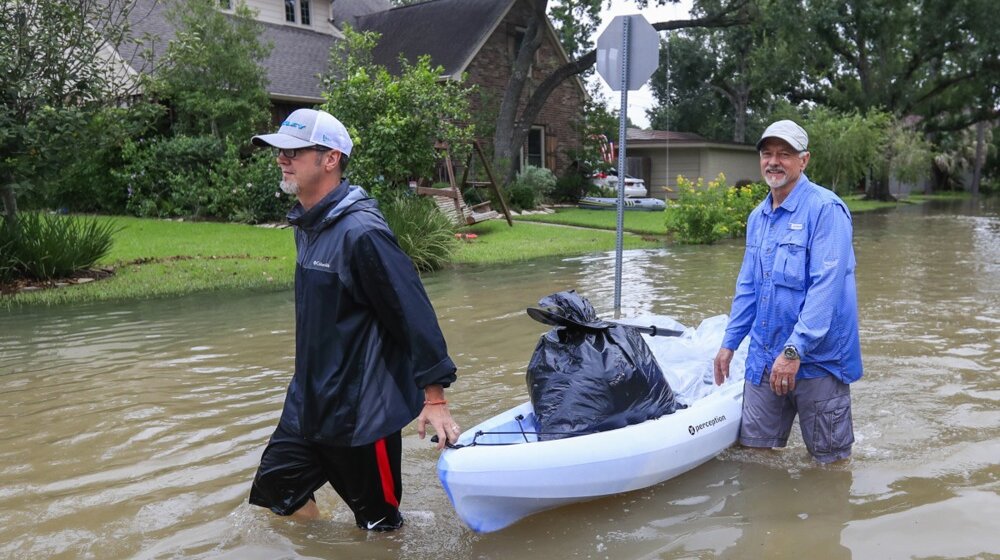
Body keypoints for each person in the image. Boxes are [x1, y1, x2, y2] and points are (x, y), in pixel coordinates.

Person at [247, 108, 460, 531]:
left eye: (293, 150)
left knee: (380, 528)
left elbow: (412, 313)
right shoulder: (309, 225)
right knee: (278, 493)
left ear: (330, 159)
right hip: (308, 404)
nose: (281, 158)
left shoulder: (362, 233)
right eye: (279, 150)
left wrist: (434, 398)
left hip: (360, 414)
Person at [713, 119, 863, 464]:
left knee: (831, 466)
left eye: (785, 154)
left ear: (804, 160)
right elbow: (748, 287)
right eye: (767, 153)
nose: (774, 161)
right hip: (765, 358)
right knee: (754, 456)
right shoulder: (758, 217)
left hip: (819, 362)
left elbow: (826, 286)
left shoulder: (826, 210)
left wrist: (794, 351)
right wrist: (729, 343)